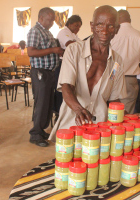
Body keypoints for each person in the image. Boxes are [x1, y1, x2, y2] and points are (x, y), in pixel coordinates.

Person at [49, 5, 126, 141]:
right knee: (67, 159)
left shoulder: (117, 61)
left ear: (117, 29)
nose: (105, 31)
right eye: (100, 24)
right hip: (72, 121)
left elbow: (114, 98)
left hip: (99, 127)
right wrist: (78, 110)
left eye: (111, 26)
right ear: (92, 26)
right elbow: (66, 86)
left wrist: (126, 118)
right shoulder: (74, 50)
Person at [27, 7, 64, 147]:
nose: (52, 23)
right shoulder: (35, 31)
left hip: (50, 72)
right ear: (41, 18)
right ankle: (35, 134)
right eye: (49, 20)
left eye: (53, 20)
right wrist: (53, 50)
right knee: (41, 103)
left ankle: (41, 130)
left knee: (48, 103)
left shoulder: (46, 32)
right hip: (40, 72)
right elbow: (31, 52)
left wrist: (57, 52)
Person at [111, 9, 140, 114]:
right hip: (130, 79)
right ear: (130, 20)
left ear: (117, 20)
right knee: (127, 112)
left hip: (112, 75)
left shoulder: (112, 35)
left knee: (110, 110)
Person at [54, 15, 82, 115]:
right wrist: (81, 44)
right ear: (69, 24)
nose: (77, 28)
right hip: (63, 64)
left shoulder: (74, 35)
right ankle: (59, 113)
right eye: (76, 25)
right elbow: (70, 45)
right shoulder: (64, 32)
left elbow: (79, 45)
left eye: (79, 26)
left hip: (72, 63)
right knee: (63, 90)